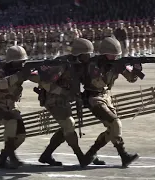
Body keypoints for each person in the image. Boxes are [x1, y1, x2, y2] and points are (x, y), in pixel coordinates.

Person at [29, 38, 104, 167]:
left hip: (65, 100)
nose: (89, 57)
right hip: (53, 100)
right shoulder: (63, 64)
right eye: (86, 54)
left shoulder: (81, 65)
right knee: (69, 124)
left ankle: (46, 155)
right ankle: (81, 157)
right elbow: (44, 82)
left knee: (66, 127)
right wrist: (63, 92)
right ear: (78, 55)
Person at [82, 37, 140, 168]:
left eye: (116, 56)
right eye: (112, 55)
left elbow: (132, 79)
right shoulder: (94, 64)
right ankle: (124, 155)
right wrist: (112, 68)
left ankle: (90, 154)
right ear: (104, 53)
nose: (115, 58)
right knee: (115, 123)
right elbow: (98, 82)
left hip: (106, 97)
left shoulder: (117, 64)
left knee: (111, 129)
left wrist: (135, 69)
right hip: (94, 98)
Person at [0, 45, 31, 169]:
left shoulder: (20, 70)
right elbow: (1, 84)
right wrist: (20, 76)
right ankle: (11, 156)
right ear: (11, 61)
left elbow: (36, 77)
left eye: (23, 62)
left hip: (9, 106)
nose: (21, 64)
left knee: (21, 136)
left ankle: (3, 158)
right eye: (18, 62)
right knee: (11, 122)